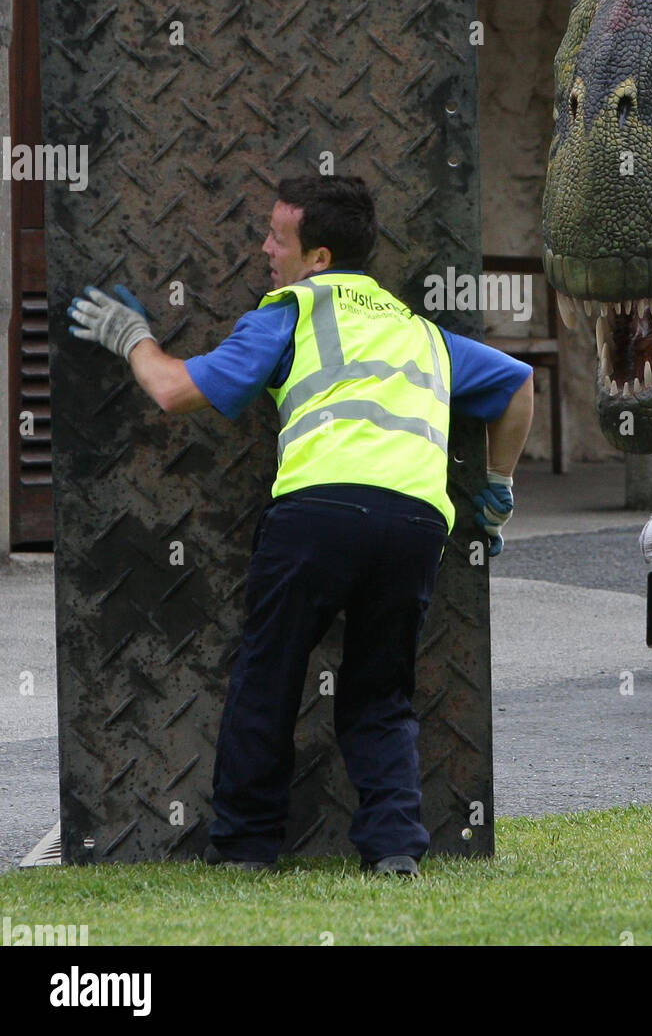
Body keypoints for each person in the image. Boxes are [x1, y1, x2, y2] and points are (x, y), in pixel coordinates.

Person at [66, 173, 534, 876]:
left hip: (318, 512)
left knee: (269, 677)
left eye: (276, 238)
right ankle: (396, 849)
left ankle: (249, 849)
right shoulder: (418, 332)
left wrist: (131, 336)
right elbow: (517, 385)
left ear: (317, 258)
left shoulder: (290, 310)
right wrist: (497, 488)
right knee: (380, 689)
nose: (263, 249)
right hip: (413, 524)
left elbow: (175, 392)